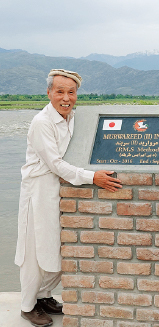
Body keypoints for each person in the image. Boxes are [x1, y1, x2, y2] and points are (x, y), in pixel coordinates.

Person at [15, 69, 122, 327]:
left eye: (71, 92)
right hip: (39, 190)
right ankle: (28, 305)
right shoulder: (42, 122)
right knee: (35, 249)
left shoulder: (72, 117)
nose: (66, 98)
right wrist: (92, 176)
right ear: (49, 93)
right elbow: (55, 164)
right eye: (59, 91)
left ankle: (44, 296)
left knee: (56, 246)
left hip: (60, 189)